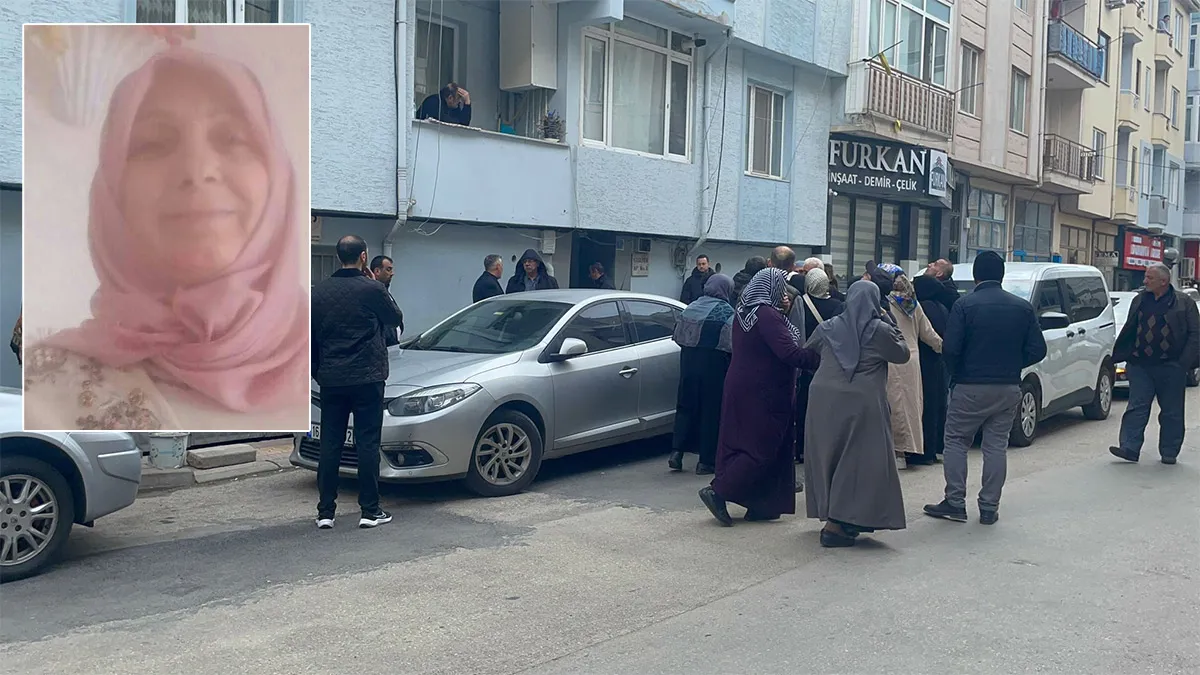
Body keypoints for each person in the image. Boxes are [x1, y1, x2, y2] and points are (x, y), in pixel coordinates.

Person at [22, 49, 309, 431]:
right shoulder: (47, 397)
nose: (197, 170)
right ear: (112, 191)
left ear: (278, 178)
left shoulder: (323, 351)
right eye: (153, 143)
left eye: (232, 139)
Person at [924, 251, 1047, 525]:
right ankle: (989, 506)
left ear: (975, 275)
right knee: (996, 446)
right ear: (1001, 275)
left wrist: (958, 373)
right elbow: (1038, 349)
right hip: (1008, 387)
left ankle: (955, 502)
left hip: (969, 385)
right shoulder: (1022, 307)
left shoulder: (964, 305)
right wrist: (1013, 364)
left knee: (956, 441)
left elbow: (951, 348)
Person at [698, 268, 820, 526]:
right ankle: (718, 491)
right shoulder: (767, 315)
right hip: (765, 391)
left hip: (742, 386)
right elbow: (788, 352)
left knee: (743, 442)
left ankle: (760, 503)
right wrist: (820, 358)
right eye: (781, 288)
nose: (785, 295)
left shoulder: (744, 311)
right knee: (762, 447)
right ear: (770, 288)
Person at [804, 280, 911, 547]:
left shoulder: (828, 326)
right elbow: (902, 353)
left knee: (828, 455)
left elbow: (809, 349)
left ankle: (838, 515)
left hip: (823, 397)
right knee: (860, 460)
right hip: (862, 401)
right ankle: (837, 524)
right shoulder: (879, 330)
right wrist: (889, 318)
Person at [311, 235, 405, 530]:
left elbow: (311, 335)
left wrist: (317, 371)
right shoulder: (372, 289)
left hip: (332, 378)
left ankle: (325, 512)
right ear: (363, 256)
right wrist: (376, 286)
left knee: (330, 444)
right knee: (367, 443)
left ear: (339, 256)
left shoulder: (319, 291)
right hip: (368, 377)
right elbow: (395, 318)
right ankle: (369, 510)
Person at [1109, 263, 1199, 465]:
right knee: (1136, 407)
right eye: (1146, 277)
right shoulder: (1140, 300)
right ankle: (1129, 448)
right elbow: (1131, 328)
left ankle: (1169, 451)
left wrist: (1183, 364)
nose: (1145, 281)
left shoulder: (1183, 303)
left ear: (1163, 281)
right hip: (1140, 365)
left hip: (1171, 366)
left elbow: (1195, 334)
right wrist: (1127, 355)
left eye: (1150, 278)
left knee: (1171, 411)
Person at [668, 274, 736, 476]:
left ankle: (676, 452)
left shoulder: (691, 308)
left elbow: (677, 336)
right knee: (711, 412)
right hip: (714, 368)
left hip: (688, 364)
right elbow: (731, 345)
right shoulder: (727, 312)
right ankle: (706, 462)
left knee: (685, 407)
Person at [877, 263, 943, 469]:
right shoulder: (913, 304)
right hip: (912, 360)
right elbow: (928, 333)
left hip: (892, 357)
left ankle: (895, 453)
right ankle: (906, 450)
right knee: (911, 406)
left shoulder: (885, 304)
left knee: (893, 406)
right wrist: (943, 348)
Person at [794, 268, 844, 464]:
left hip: (806, 360)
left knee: (803, 405)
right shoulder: (838, 306)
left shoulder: (800, 303)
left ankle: (801, 447)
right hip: (829, 362)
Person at [912, 273, 951, 461]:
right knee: (938, 404)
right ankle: (937, 446)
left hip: (923, 361)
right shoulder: (941, 308)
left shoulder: (920, 308)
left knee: (924, 405)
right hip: (938, 361)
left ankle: (924, 451)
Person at [370, 255, 401, 346]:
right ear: (377, 271)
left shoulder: (385, 292)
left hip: (393, 345)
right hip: (382, 346)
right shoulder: (371, 293)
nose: (392, 273)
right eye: (388, 269)